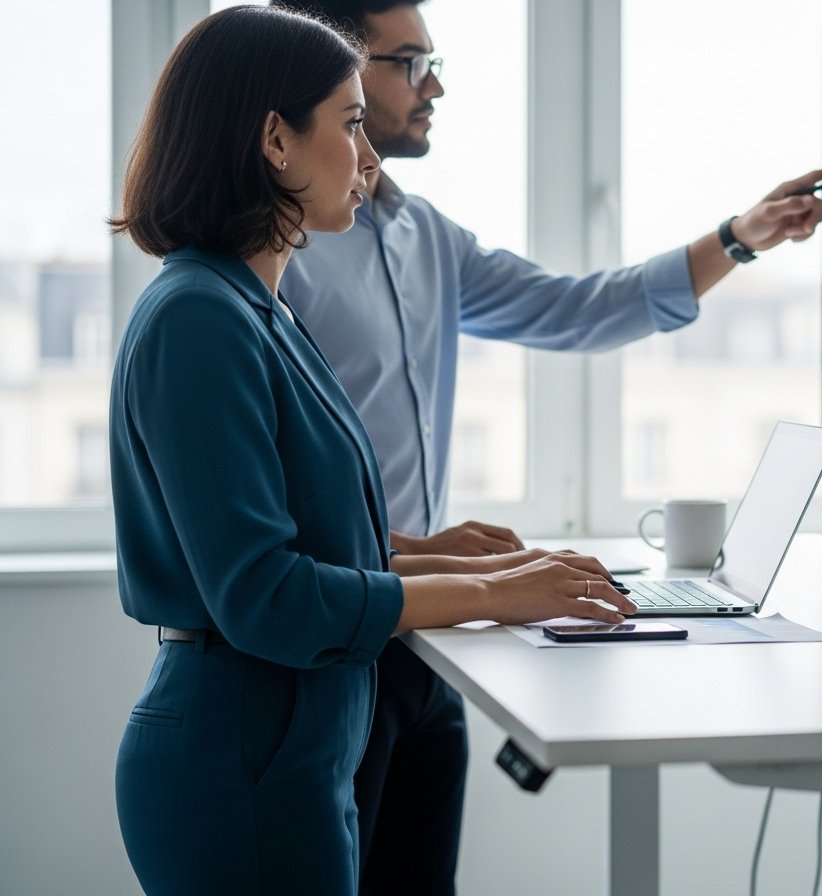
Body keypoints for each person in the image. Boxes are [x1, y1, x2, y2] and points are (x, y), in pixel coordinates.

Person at [267, 2, 822, 892]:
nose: (436, 86)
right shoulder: (277, 251)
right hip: (334, 636)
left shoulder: (427, 237)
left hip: (428, 637)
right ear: (333, 70)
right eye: (412, 62)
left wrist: (739, 237)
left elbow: (577, 306)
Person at [107, 7, 633, 895]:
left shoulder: (259, 308)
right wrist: (494, 594)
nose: (372, 157)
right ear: (276, 140)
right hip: (243, 763)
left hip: (297, 751)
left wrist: (446, 556)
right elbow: (265, 595)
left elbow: (299, 540)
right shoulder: (200, 317)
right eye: (351, 124)